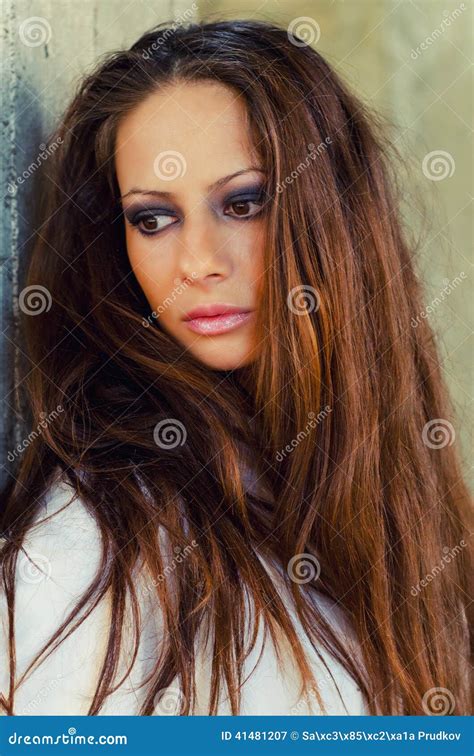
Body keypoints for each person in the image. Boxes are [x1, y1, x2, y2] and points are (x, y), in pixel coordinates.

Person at [0, 19, 471, 716]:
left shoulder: (403, 500)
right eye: (152, 219)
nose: (197, 263)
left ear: (334, 217)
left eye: (243, 203)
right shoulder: (98, 543)